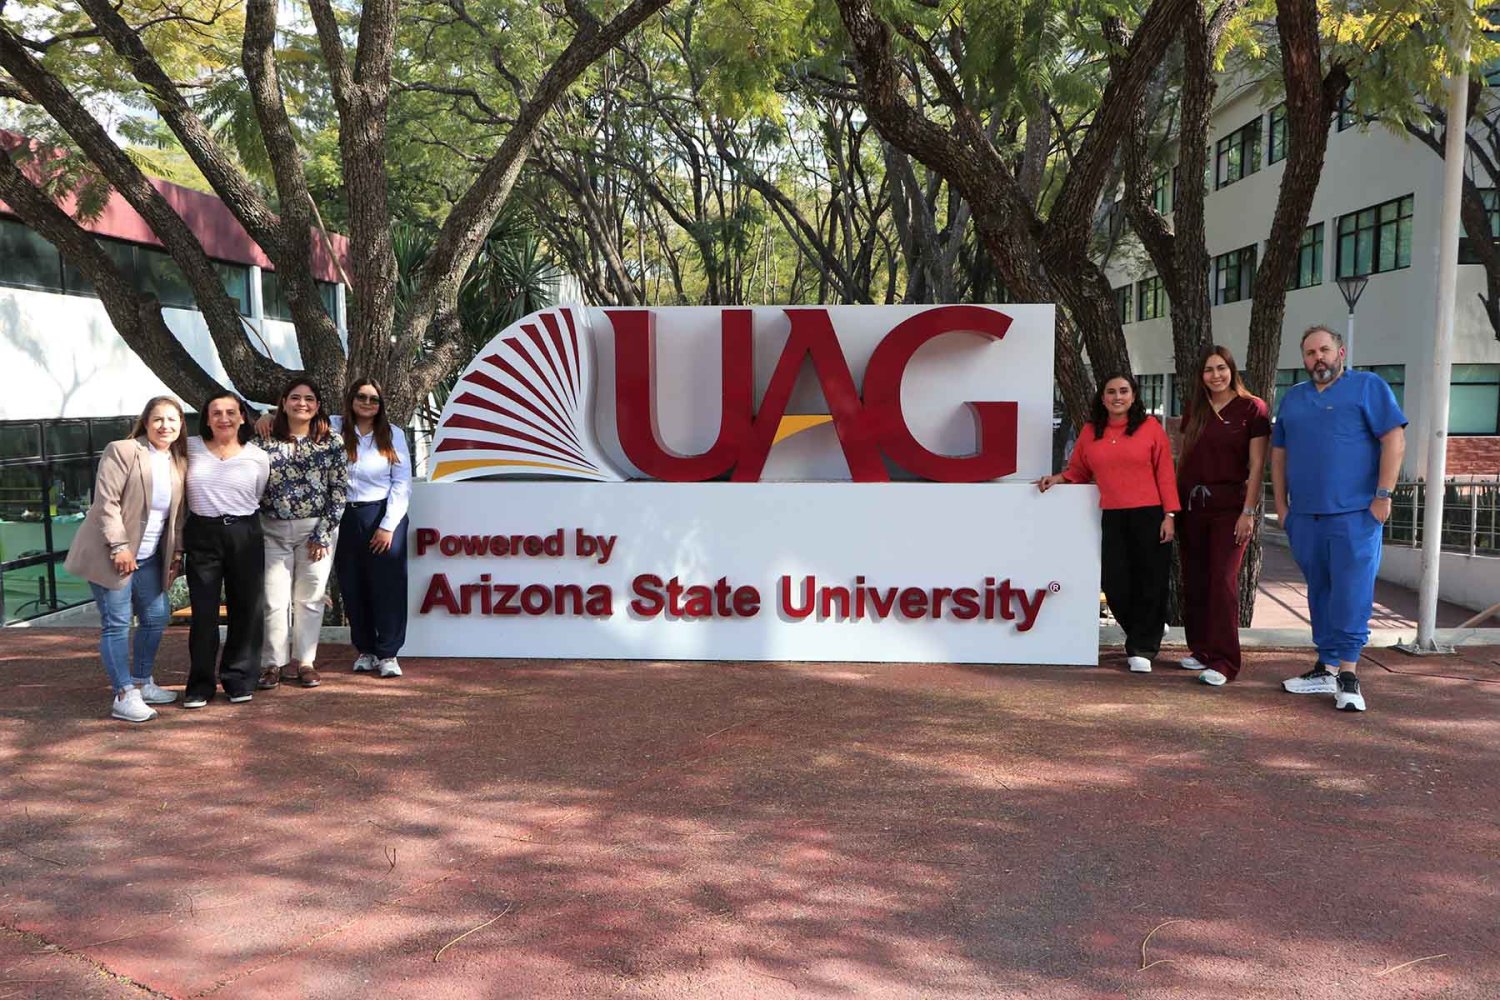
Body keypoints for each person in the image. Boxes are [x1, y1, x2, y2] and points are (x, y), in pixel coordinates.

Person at [1273, 325, 1406, 712]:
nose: (1318, 358)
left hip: (1354, 515)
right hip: (1305, 517)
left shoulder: (1368, 387)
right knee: (1320, 591)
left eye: (1324, 350)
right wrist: (1282, 507)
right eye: (1310, 352)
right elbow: (1279, 454)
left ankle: (1348, 674)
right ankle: (1326, 667)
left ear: (1341, 352)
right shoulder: (1294, 398)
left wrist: (1383, 495)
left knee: (1352, 591)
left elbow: (1394, 439)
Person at [1037, 374, 1180, 672]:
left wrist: (1170, 515)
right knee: (1115, 582)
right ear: (1102, 398)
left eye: (1124, 391)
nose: (1118, 396)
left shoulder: (1150, 428)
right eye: (1111, 391)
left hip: (1150, 513)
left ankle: (1142, 648)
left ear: (1133, 396)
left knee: (1150, 580)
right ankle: (1150, 625)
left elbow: (1165, 472)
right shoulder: (1092, 431)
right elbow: (1078, 469)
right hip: (1114, 515)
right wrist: (1058, 478)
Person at [64, 396, 187, 723]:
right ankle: (123, 694)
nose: (165, 425)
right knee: (117, 623)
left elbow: (176, 516)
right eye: (158, 419)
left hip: (149, 557)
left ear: (180, 425)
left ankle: (142, 682)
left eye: (172, 419)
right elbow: (107, 503)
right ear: (146, 422)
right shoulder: (122, 450)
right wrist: (119, 546)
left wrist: (176, 553)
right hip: (112, 552)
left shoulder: (177, 460)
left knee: (156, 616)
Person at [1175, 346, 1271, 687]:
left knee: (1222, 581)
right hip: (1191, 506)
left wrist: (1248, 511)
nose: (1215, 375)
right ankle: (1202, 649)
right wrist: (1173, 507)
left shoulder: (1252, 408)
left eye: (1221, 368)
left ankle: (1225, 660)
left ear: (1232, 370)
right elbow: (1183, 458)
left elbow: (1257, 466)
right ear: (1201, 376)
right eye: (1208, 370)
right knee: (1195, 579)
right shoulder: (1196, 408)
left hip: (1230, 508)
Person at [255, 376, 348, 691]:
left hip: (315, 532)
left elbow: (339, 490)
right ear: (283, 403)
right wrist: (263, 417)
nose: (302, 404)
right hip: (271, 531)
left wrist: (323, 533)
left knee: (310, 599)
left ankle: (306, 662)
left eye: (309, 399)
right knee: (273, 599)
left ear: (318, 405)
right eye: (295, 398)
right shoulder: (263, 440)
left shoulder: (331, 441)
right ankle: (273, 663)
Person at [182, 393, 271, 709]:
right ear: (206, 419)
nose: (224, 418)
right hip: (202, 532)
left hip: (244, 531)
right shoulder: (189, 448)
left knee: (246, 609)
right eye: (216, 413)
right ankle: (200, 685)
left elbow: (258, 493)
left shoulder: (258, 456)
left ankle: (239, 679)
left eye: (231, 412)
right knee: (203, 612)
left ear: (242, 417)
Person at [334, 379, 412, 679]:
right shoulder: (333, 427)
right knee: (353, 585)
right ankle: (365, 650)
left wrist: (387, 526)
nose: (367, 403)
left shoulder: (393, 434)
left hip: (383, 514)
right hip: (345, 515)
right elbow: (295, 421)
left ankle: (388, 653)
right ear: (351, 399)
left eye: (374, 399)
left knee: (388, 586)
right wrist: (265, 418)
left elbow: (401, 483)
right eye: (361, 397)